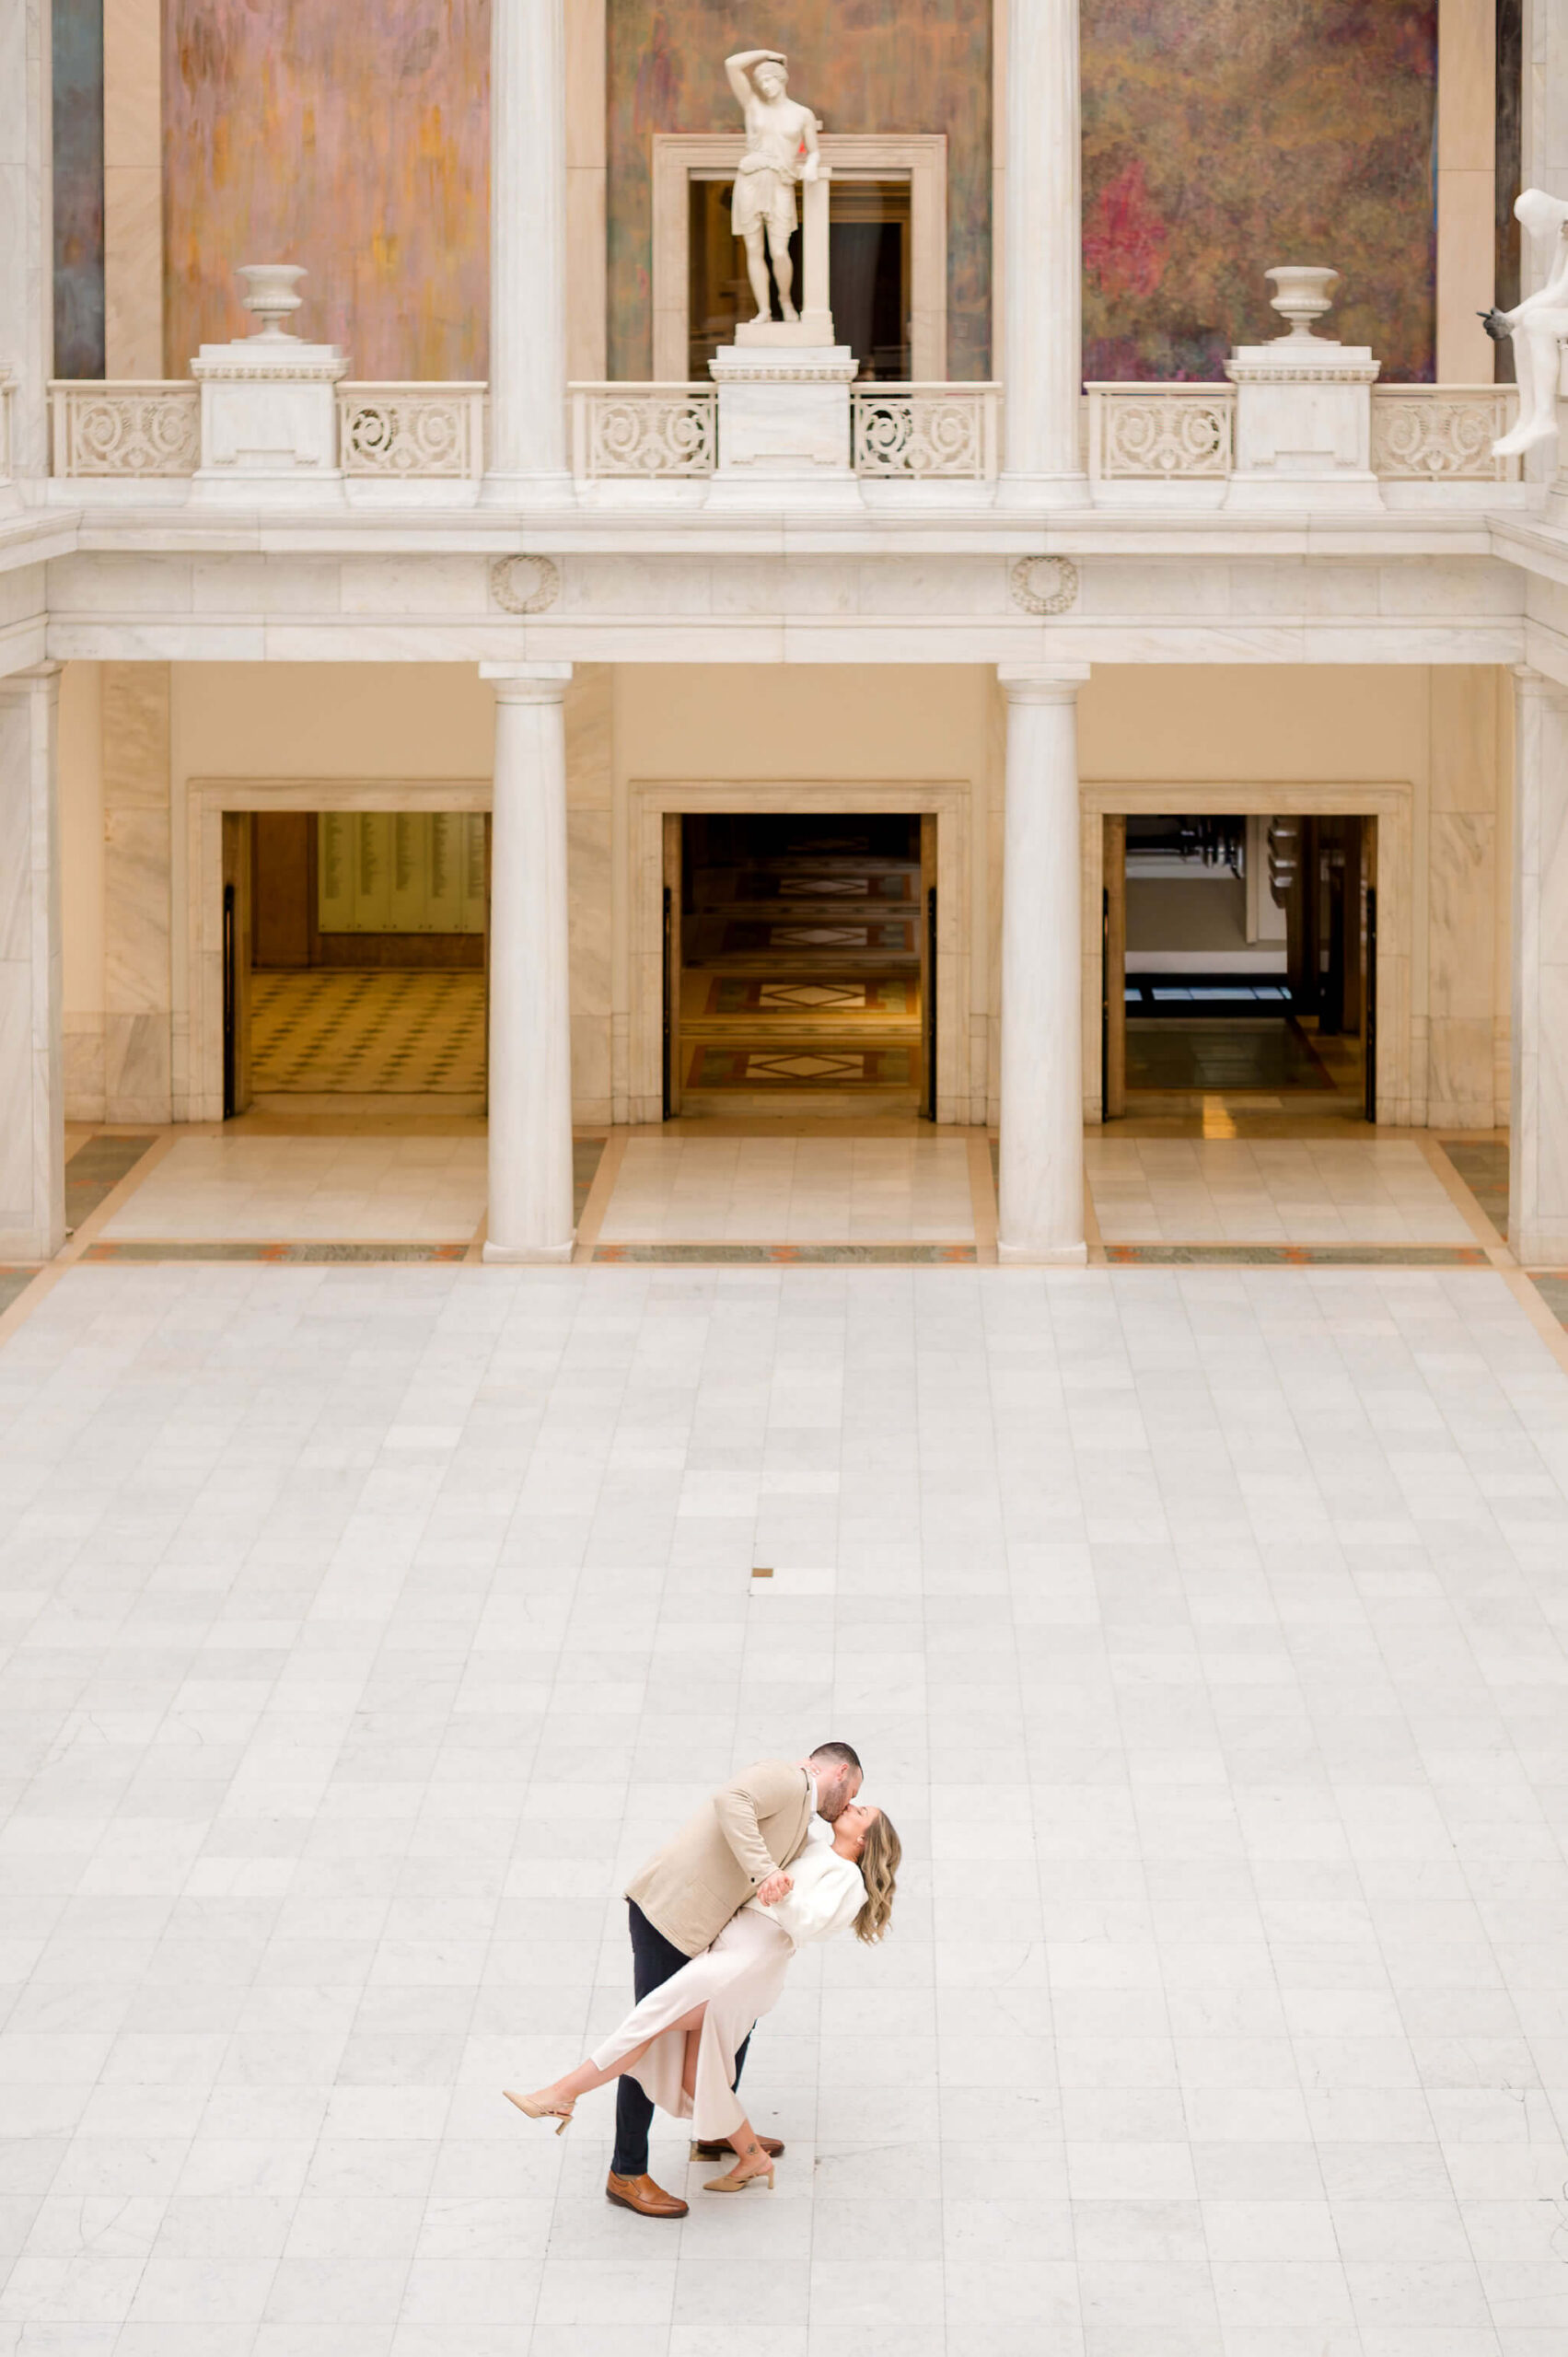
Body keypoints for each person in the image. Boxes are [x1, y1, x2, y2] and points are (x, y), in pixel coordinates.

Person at [518, 1744, 862, 2218]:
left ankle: (718, 2128)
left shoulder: (804, 1824)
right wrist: (765, 1872)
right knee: (651, 2031)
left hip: (712, 1936)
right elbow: (731, 1800)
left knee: (728, 2030)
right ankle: (626, 2171)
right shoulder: (788, 1778)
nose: (848, 1806)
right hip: (670, 1917)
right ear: (841, 1772)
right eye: (854, 1794)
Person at [725, 48, 820, 325]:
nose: (765, 86)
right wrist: (766, 53)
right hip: (750, 180)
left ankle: (785, 300)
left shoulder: (802, 114)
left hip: (780, 181)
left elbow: (813, 151)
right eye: (761, 82)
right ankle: (764, 309)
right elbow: (731, 64)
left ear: (782, 79)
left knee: (779, 251)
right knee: (754, 249)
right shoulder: (753, 106)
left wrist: (811, 165)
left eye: (770, 80)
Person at [1482, 189, 1568, 457]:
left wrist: (1510, 317)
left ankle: (1544, 417)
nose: (1532, 233)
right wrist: (1512, 320)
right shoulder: (1564, 229)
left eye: (1531, 225)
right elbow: (1552, 287)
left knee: (1536, 321)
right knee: (1524, 327)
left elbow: (1563, 292)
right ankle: (1528, 416)